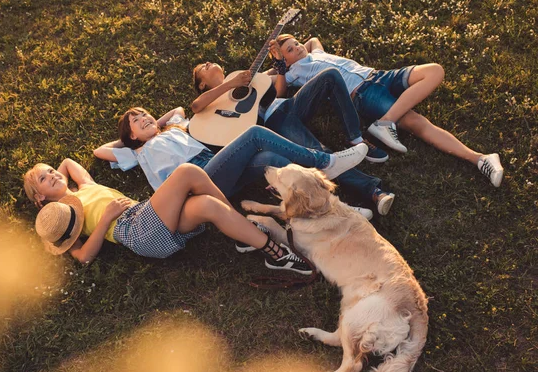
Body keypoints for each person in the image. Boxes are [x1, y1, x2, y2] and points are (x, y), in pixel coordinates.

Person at [268, 34, 505, 187]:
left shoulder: (316, 52)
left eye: (296, 43)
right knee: (417, 123)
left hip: (379, 75)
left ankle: (386, 122)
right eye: (291, 50)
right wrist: (278, 65)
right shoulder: (292, 73)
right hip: (364, 93)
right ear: (284, 62)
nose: (298, 48)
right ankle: (480, 158)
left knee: (435, 71)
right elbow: (278, 90)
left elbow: (314, 39)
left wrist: (291, 45)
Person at [24, 159, 313, 274]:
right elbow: (84, 256)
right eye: (43, 178)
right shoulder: (65, 224)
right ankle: (255, 233)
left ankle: (270, 251)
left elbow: (67, 164)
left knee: (207, 206)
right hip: (135, 232)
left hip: (147, 217)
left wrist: (53, 181)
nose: (51, 174)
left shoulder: (85, 187)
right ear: (39, 198)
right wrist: (105, 218)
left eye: (49, 171)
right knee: (187, 172)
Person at [192, 63, 397, 215]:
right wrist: (231, 85)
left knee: (330, 75)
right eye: (203, 67)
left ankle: (356, 138)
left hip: (288, 105)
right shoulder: (209, 109)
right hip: (274, 125)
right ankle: (373, 191)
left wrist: (279, 68)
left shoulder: (243, 76)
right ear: (202, 84)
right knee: (318, 152)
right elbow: (195, 106)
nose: (209, 63)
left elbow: (276, 91)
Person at [93, 107, 374, 215]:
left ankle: (333, 207)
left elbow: (178, 110)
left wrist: (157, 123)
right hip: (200, 183)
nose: (144, 119)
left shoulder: (175, 128)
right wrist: (132, 139)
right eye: (136, 121)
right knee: (254, 135)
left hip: (219, 168)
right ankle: (324, 162)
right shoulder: (136, 153)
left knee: (274, 159)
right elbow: (100, 151)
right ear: (130, 134)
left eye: (144, 114)